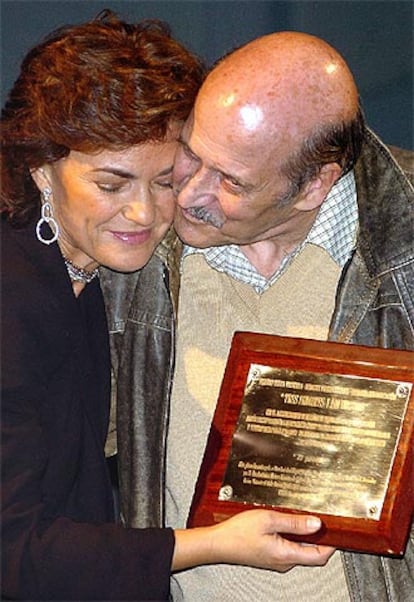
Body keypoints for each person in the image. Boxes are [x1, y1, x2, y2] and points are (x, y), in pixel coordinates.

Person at [0, 14, 335, 601]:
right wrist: (214, 544)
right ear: (41, 169)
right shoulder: (13, 299)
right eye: (111, 184)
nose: (144, 215)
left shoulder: (79, 271)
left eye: (162, 181)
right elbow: (15, 554)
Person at [102, 31, 414, 601]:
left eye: (232, 182)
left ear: (314, 184)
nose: (190, 193)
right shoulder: (133, 236)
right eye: (192, 152)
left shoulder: (405, 242)